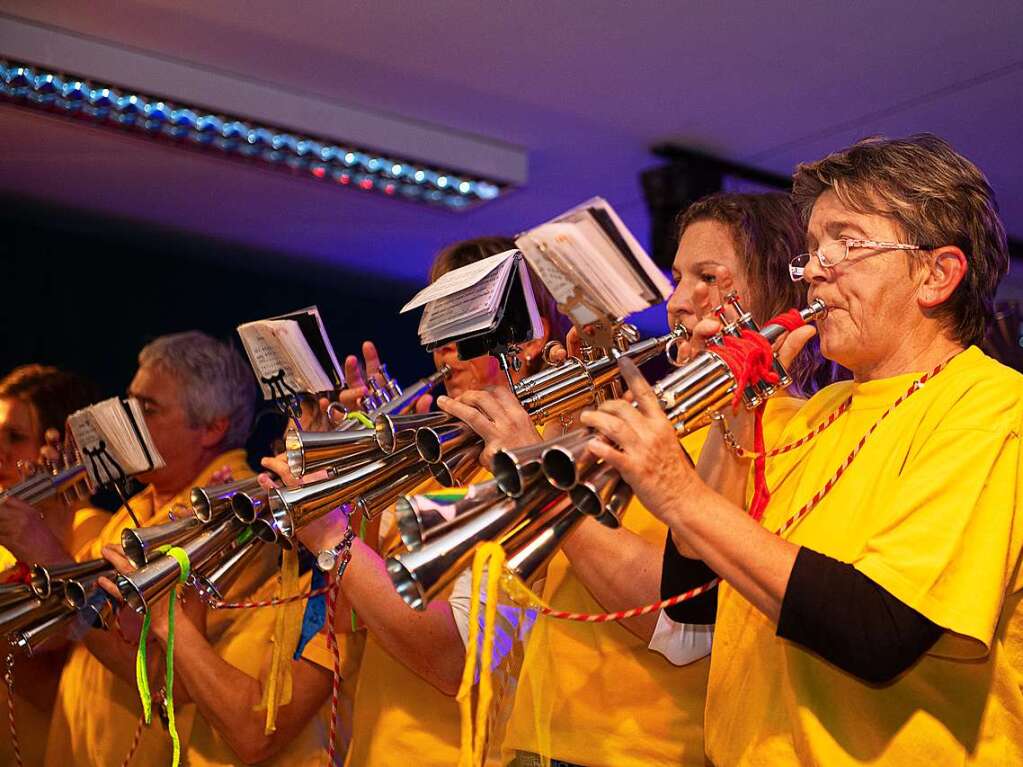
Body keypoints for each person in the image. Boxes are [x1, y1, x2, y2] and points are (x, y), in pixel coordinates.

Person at [588, 134, 1022, 765]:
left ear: (936, 274)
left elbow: (880, 631)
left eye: (847, 243)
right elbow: (696, 596)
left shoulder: (989, 404)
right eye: (814, 248)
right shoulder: (813, 413)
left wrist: (677, 491)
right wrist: (734, 407)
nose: (816, 268)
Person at [438, 192, 825, 766]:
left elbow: (675, 616)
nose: (677, 302)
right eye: (677, 278)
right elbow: (522, 589)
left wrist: (538, 471)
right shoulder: (661, 418)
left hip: (640, 751)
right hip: (539, 739)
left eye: (708, 277)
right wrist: (569, 424)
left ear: (776, 294)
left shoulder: (786, 431)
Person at [274, 236, 570, 767]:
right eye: (438, 325)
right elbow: (347, 627)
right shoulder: (431, 465)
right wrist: (351, 481)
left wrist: (329, 533)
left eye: (464, 324)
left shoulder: (547, 463)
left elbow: (454, 659)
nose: (442, 350)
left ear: (526, 336)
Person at [44, 331, 265, 767]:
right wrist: (52, 514)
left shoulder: (236, 510)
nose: (125, 421)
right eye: (129, 404)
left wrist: (42, 554)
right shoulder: (139, 503)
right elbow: (54, 636)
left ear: (213, 427)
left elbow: (172, 679)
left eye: (148, 409)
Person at [0, 364, 102, 767]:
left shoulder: (97, 534)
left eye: (15, 437)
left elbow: (45, 683)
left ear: (59, 448)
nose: (0, 451)